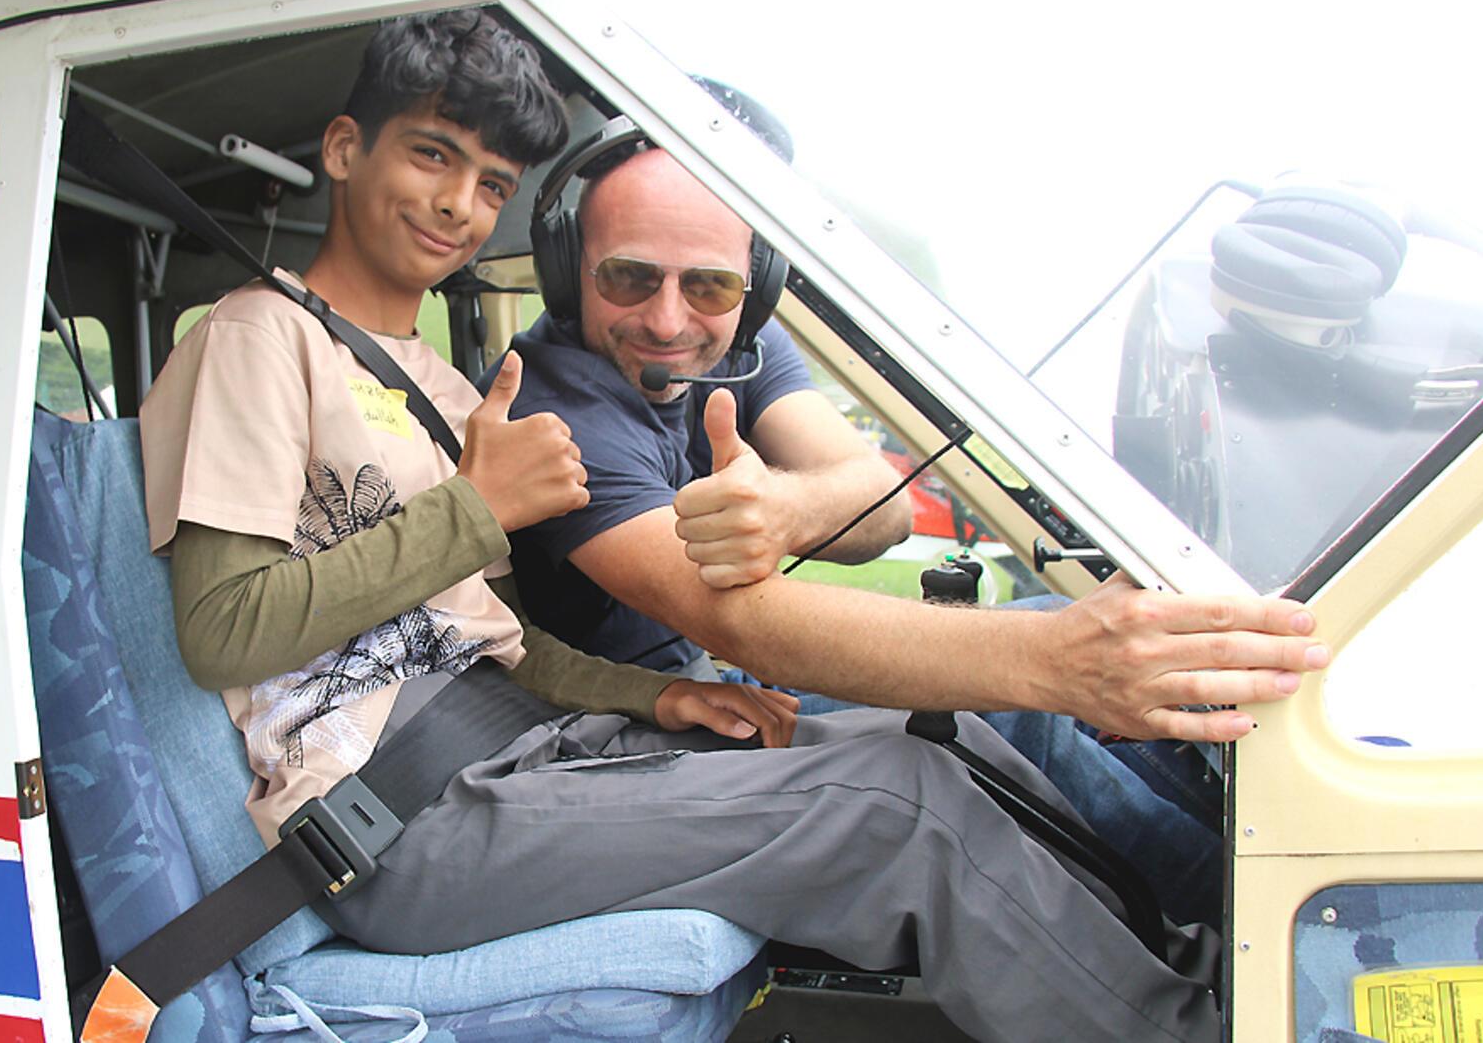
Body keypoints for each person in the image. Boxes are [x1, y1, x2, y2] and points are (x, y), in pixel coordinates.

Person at [142, 9, 1241, 1042]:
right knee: (892, 805)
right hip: (388, 825)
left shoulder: (436, 382)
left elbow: (505, 649)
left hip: (512, 751)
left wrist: (658, 693)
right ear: (344, 149)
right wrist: (478, 507)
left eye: (490, 183)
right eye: (432, 156)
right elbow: (223, 631)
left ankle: (1184, 956)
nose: (457, 205)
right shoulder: (257, 338)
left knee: (916, 737)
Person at [491, 105, 1326, 926]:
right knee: (1005, 700)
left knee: (1053, 619)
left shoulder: (727, 334)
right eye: (629, 276)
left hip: (723, 688)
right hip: (637, 733)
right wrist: (1054, 664)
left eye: (707, 283)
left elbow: (878, 504)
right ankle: (1259, 923)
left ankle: (1287, 831)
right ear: (571, 270)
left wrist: (785, 509)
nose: (668, 318)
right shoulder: (556, 407)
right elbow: (748, 626)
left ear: (754, 284)